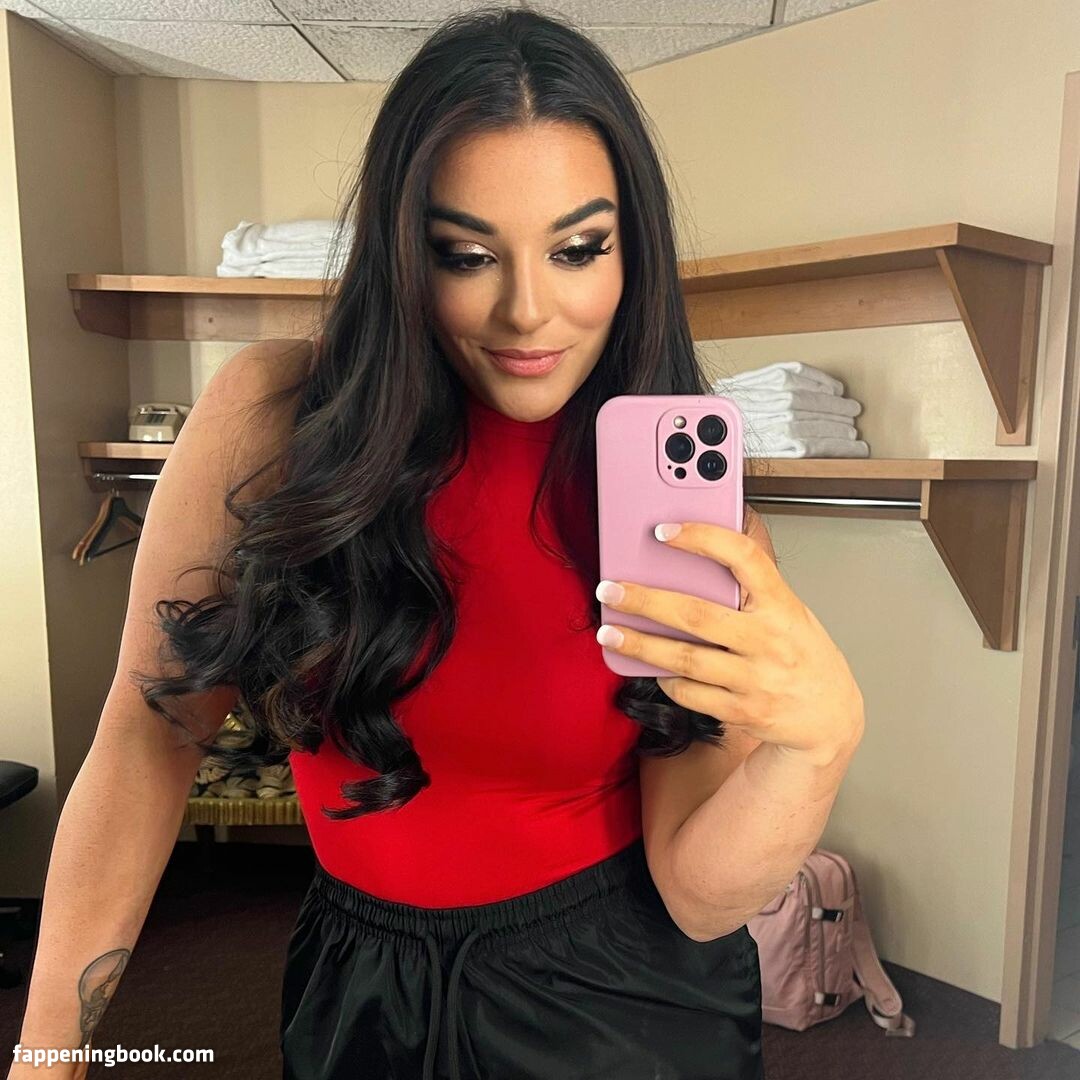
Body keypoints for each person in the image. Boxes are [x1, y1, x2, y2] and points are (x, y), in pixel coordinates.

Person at [10, 6, 865, 1080]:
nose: (527, 311)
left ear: (632, 250)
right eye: (466, 254)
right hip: (356, 978)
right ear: (402, 251)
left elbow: (699, 899)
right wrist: (46, 1057)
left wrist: (817, 746)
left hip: (619, 998)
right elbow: (149, 740)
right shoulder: (272, 417)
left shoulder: (682, 504)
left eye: (578, 248)